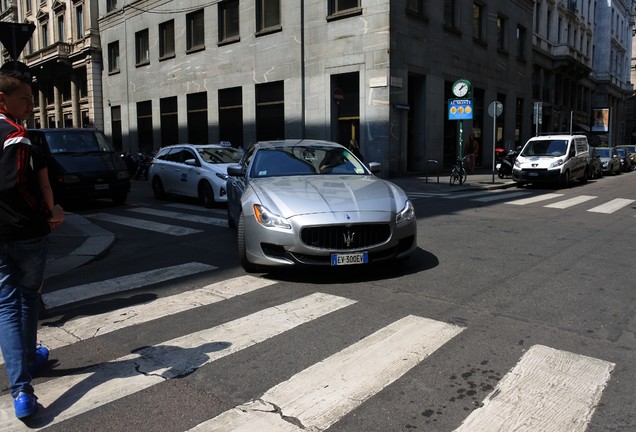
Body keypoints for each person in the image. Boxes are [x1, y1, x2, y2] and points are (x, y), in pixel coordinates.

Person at [0, 61, 64, 419]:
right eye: (23, 98)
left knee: (10, 304)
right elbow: (16, 186)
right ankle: (23, 383)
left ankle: (23, 378)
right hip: (26, 234)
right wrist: (46, 213)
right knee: (23, 301)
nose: (30, 105)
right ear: (2, 99)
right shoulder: (17, 136)